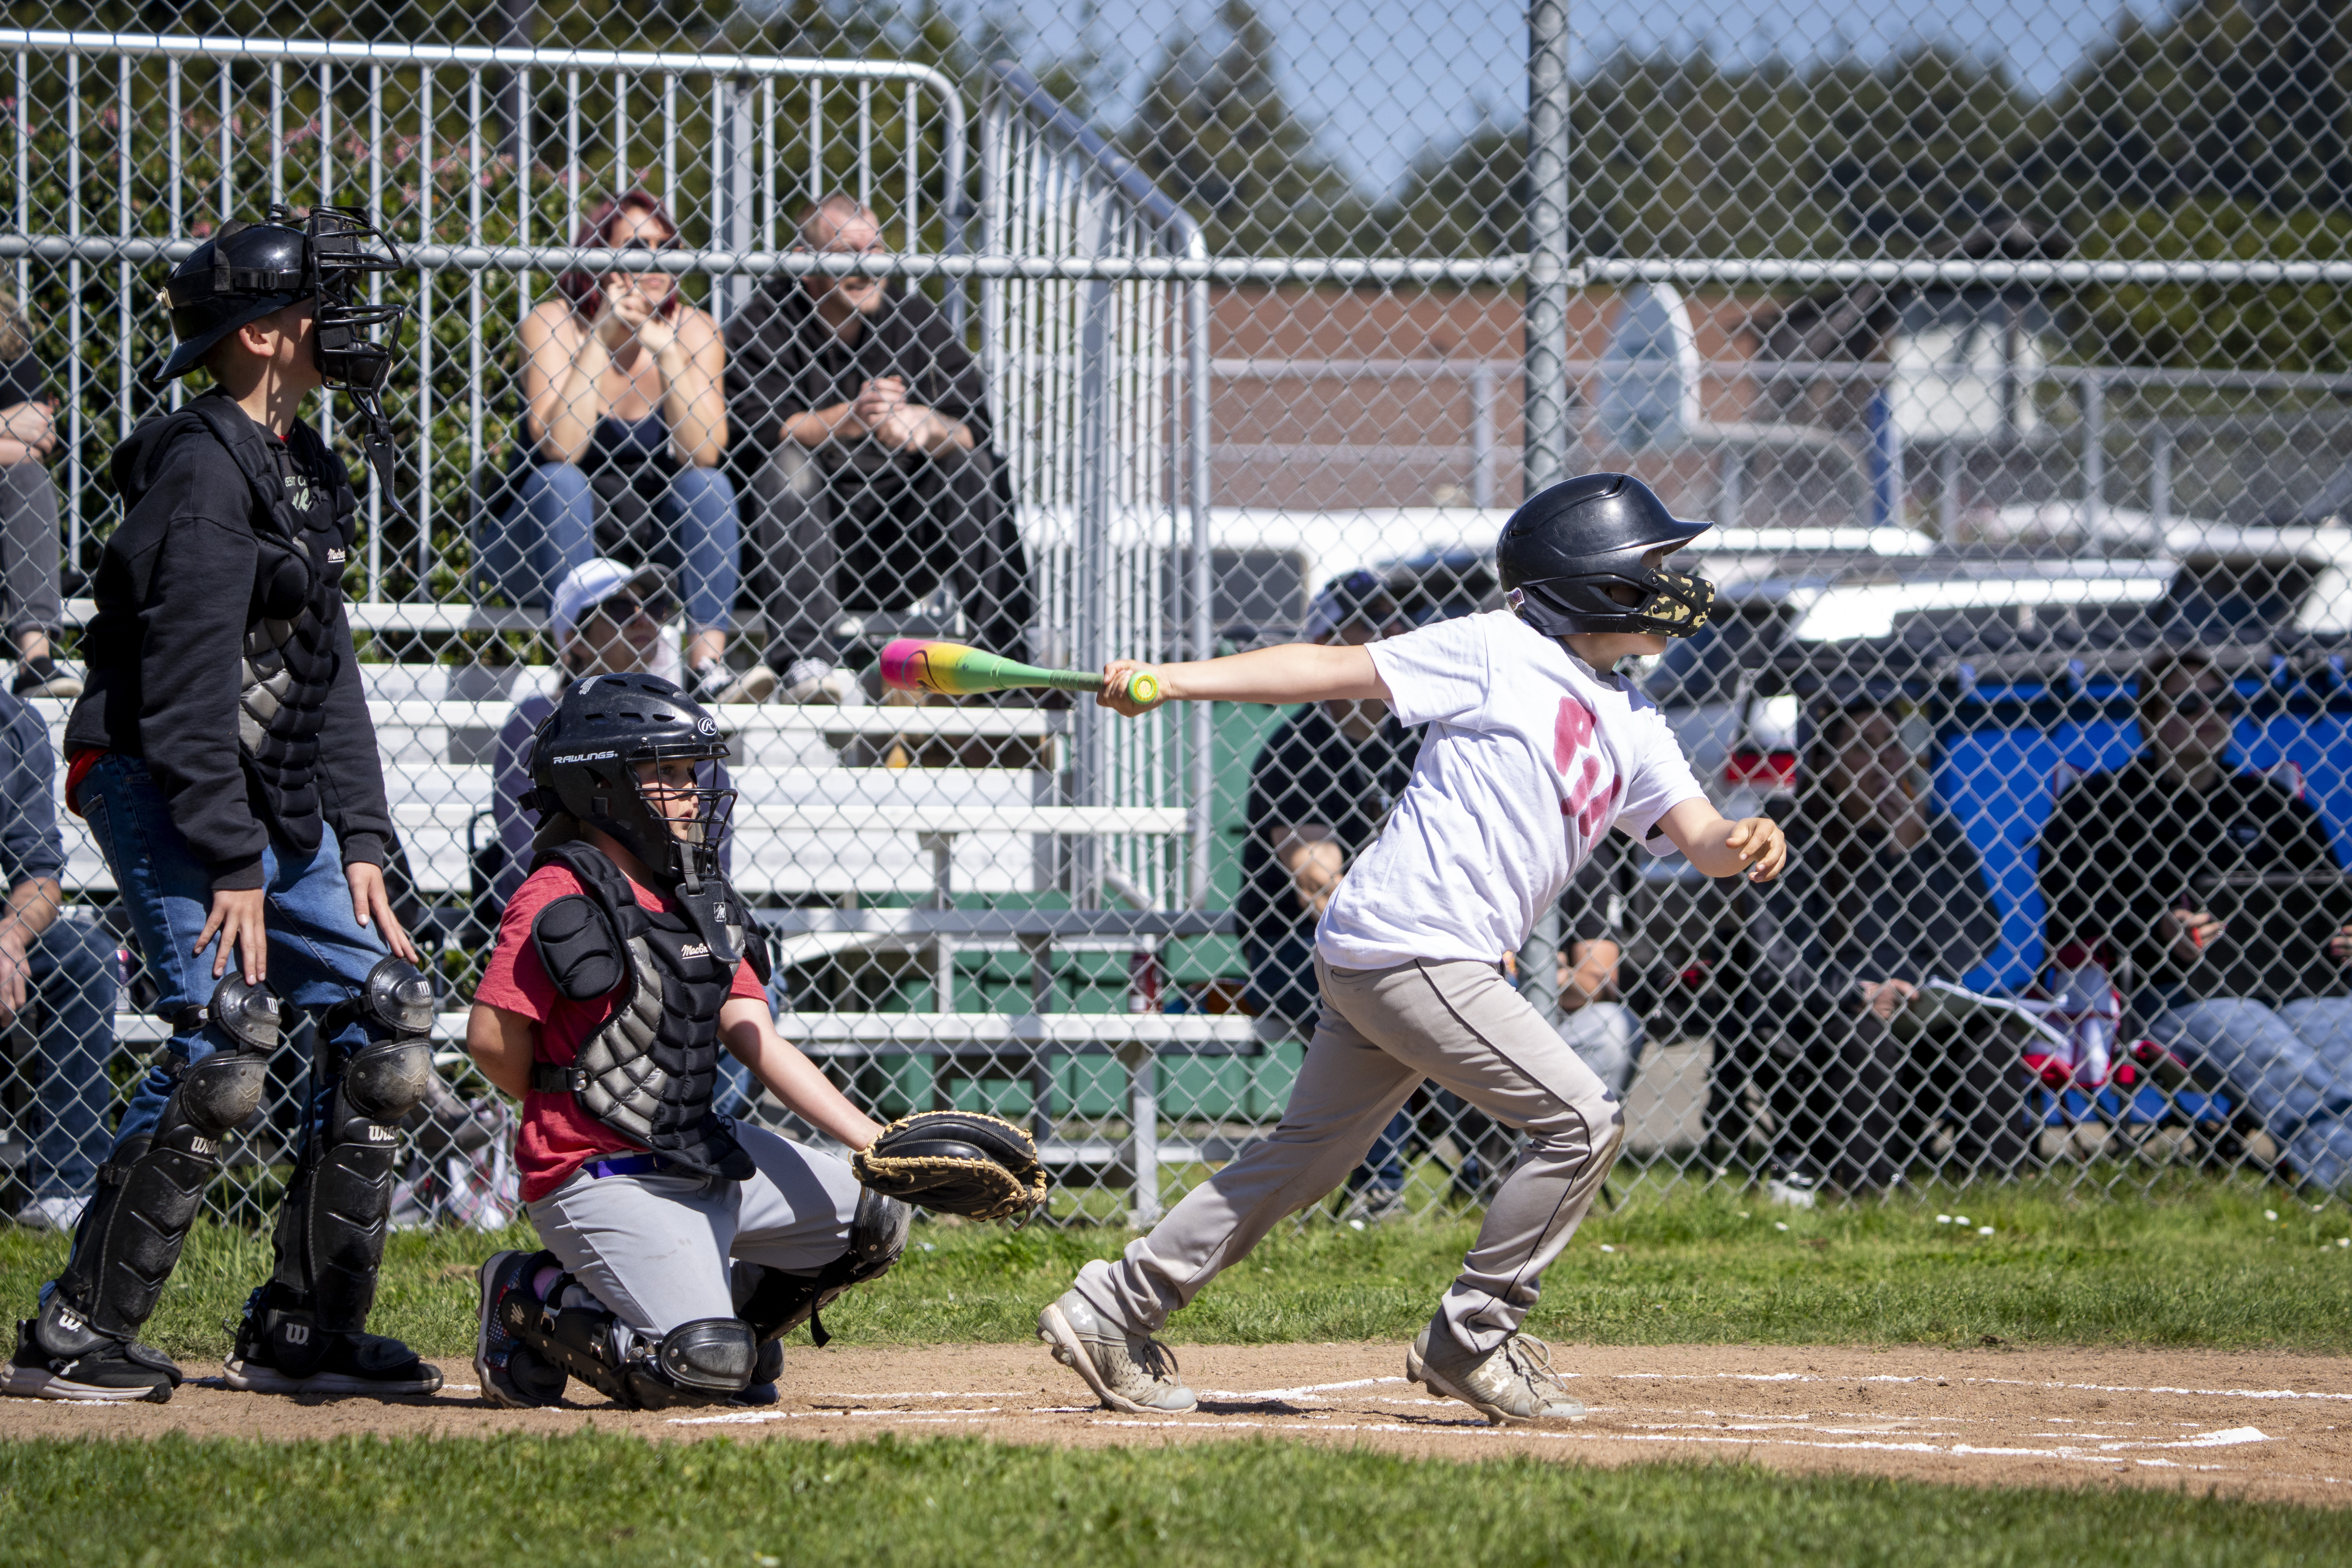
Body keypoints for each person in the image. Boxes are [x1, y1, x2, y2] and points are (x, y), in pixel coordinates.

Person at [1036, 472, 1788, 1426]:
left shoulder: (1635, 720)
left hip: (1396, 950)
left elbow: (1700, 838)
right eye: (1652, 564)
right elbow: (1327, 670)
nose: (1673, 582)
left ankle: (1112, 1307)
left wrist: (1746, 840)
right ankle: (1472, 1336)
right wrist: (1178, 680)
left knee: (1307, 1161)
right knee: (1580, 1121)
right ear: (1591, 580)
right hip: (1409, 945)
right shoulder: (1497, 648)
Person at [2, 208, 442, 1404]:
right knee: (228, 1041)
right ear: (259, 336)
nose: (344, 316)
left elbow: (323, 668)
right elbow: (188, 688)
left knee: (387, 1018)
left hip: (266, 798)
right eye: (321, 296)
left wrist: (360, 838)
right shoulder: (200, 466)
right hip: (163, 779)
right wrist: (234, 858)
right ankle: (74, 1333)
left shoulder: (304, 465)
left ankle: (305, 1326)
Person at [467, 673, 905, 1410]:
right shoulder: (559, 893)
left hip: (698, 1151)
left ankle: (722, 1326)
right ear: (601, 787)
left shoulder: (696, 895)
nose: (690, 791)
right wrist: (573, 1103)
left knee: (872, 1217)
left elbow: (754, 1037)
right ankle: (527, 1293)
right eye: (663, 774)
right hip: (598, 1174)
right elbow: (490, 1040)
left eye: (687, 771)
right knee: (698, 1367)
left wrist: (882, 1145)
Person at [2037, 647, 2352, 1187]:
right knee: (2267, 1044)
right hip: (2171, 994)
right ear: (2150, 720)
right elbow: (2069, 909)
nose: (2207, 716)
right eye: (2186, 704)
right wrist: (2156, 927)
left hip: (2296, 982)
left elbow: (2328, 896)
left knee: (2341, 1032)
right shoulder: (2098, 806)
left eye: (2218, 702)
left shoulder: (2272, 806)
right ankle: (2343, 1173)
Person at [724, 194, 1032, 704]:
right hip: (792, 551)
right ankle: (809, 665)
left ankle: (1006, 661)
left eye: (878, 249)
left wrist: (927, 425)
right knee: (787, 462)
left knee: (971, 463)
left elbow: (975, 429)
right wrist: (851, 418)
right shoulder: (766, 319)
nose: (868, 265)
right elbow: (754, 429)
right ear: (806, 261)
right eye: (849, 251)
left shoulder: (913, 318)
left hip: (901, 544)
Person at [1724, 691, 2022, 1203]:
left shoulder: (1928, 831)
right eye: (1865, 746)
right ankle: (1868, 1188)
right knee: (1865, 1030)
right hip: (1824, 1020)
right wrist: (1858, 992)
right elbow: (1778, 963)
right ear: (1826, 762)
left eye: (1893, 747)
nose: (1885, 762)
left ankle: (1996, 1192)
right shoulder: (1791, 836)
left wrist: (1912, 855)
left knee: (1993, 1033)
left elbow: (1975, 942)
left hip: (1918, 1014)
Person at [475, 192, 761, 705]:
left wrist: (668, 353)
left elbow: (705, 453)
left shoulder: (694, 329)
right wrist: (601, 339)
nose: (653, 259)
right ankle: (578, 665)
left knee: (709, 487)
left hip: (649, 552)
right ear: (599, 256)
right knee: (559, 482)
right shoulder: (554, 324)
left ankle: (707, 666)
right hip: (541, 545)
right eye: (634, 246)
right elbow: (562, 448)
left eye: (663, 245)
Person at [0, 682, 117, 1228]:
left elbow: (40, 878)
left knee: (85, 957)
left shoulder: (14, 724)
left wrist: (11, 938)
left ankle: (66, 1192)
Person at [0, 293, 80, 698]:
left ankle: (35, 661)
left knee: (27, 478)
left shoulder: (6, 330)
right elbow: (18, 436)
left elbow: (37, 440)